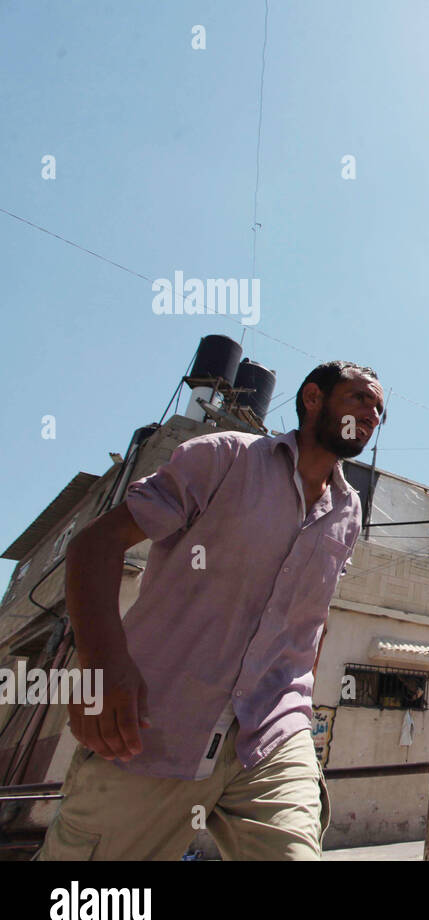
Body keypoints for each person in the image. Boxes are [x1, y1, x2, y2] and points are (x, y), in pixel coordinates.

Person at [35, 360, 384, 861]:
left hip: (272, 732)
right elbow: (94, 545)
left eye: (378, 409)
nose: (371, 414)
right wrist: (103, 670)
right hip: (154, 728)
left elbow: (314, 615)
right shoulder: (224, 458)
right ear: (313, 398)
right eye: (359, 399)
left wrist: (301, 697)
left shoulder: (349, 511)